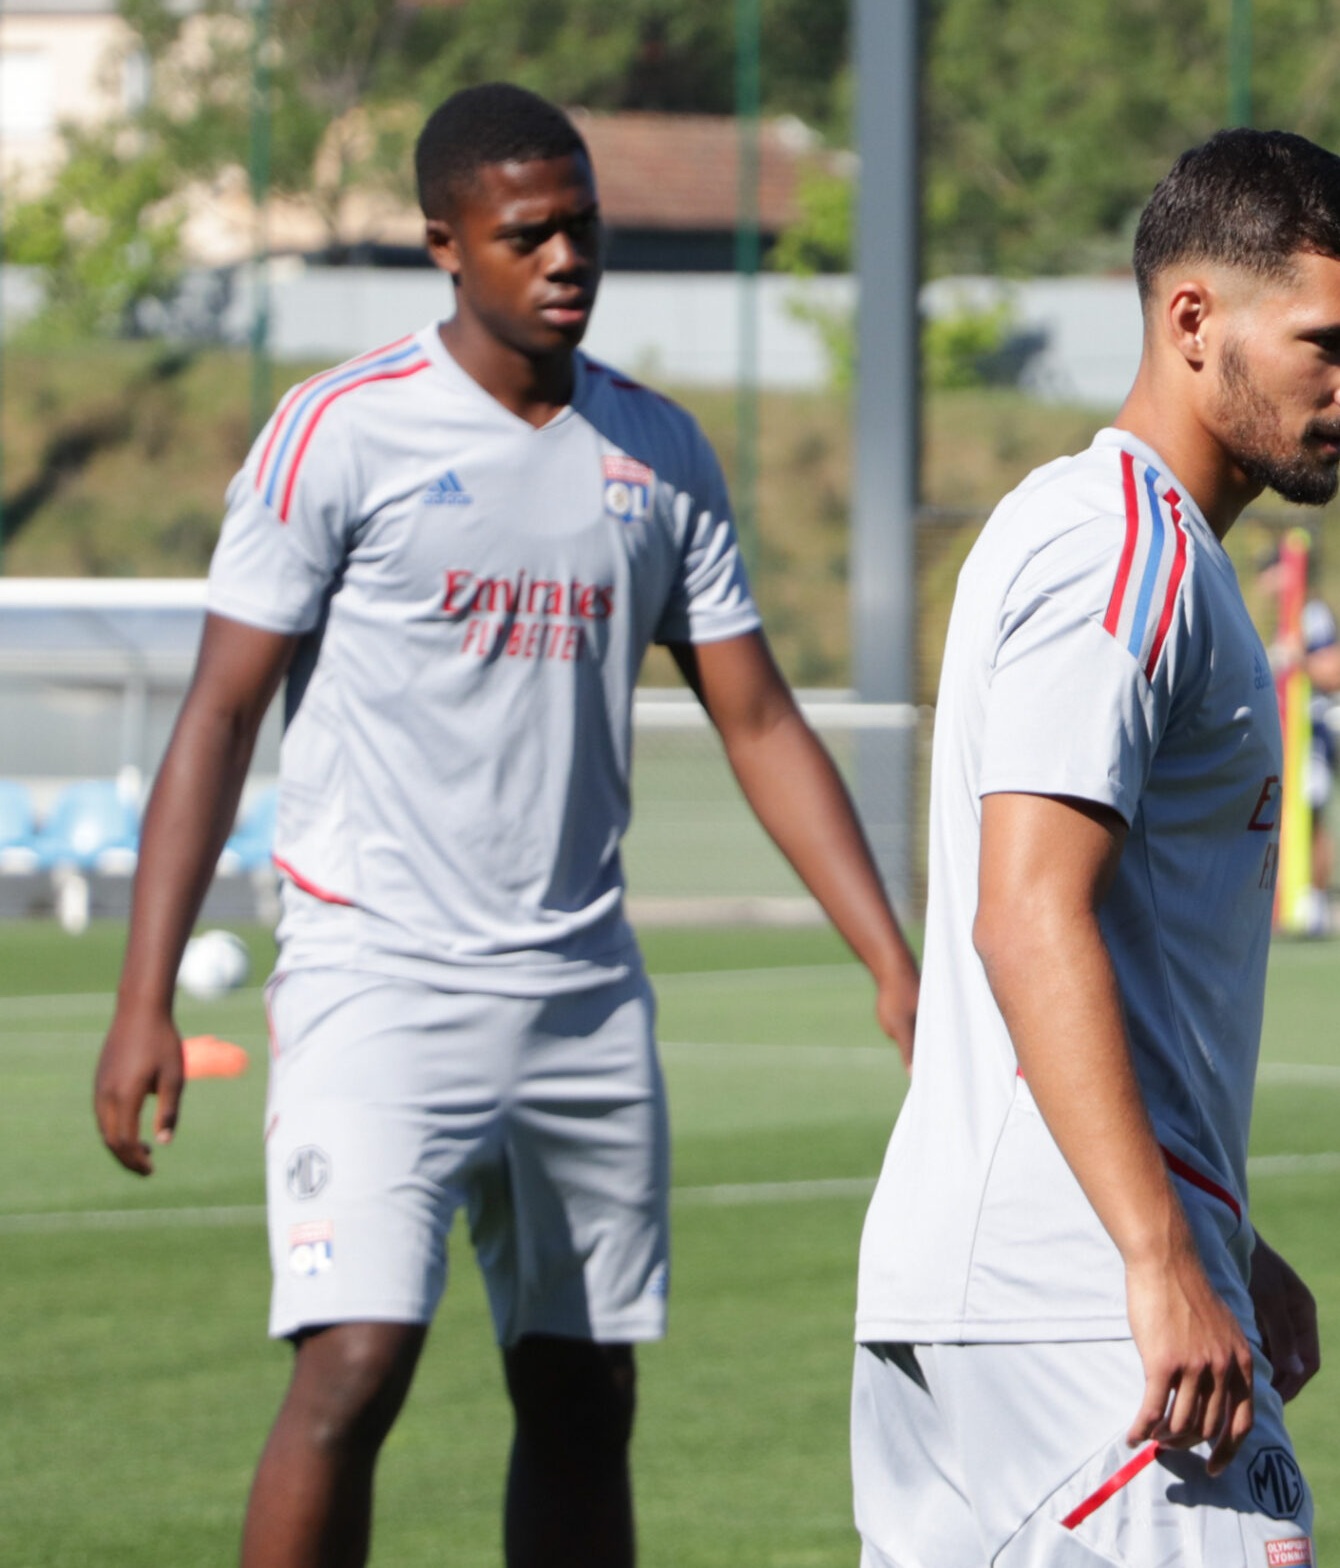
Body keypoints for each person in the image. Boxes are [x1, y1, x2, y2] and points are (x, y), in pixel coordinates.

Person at [90, 83, 921, 1568]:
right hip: (378, 980)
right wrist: (143, 994)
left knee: (584, 1389)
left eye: (580, 223)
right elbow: (217, 714)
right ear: (444, 246)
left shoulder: (658, 452)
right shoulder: (337, 434)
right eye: (525, 231)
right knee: (352, 1362)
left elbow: (760, 719)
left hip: (581, 994)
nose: (564, 257)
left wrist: (891, 956)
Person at [849, 130, 1340, 1568]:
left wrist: (1225, 1232)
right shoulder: (1124, 551)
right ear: (1193, 318)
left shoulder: (1098, 531)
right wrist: (1160, 1261)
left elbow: (1115, 956)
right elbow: (1029, 915)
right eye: (1331, 344)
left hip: (987, 1290)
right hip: (1075, 1311)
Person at [1260, 546, 1340, 937]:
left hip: (1310, 736)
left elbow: (1337, 672)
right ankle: (1282, 901)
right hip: (1282, 732)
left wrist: (1299, 661)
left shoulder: (1312, 616)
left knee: (1312, 816)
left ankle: (1315, 906)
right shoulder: (1282, 616)